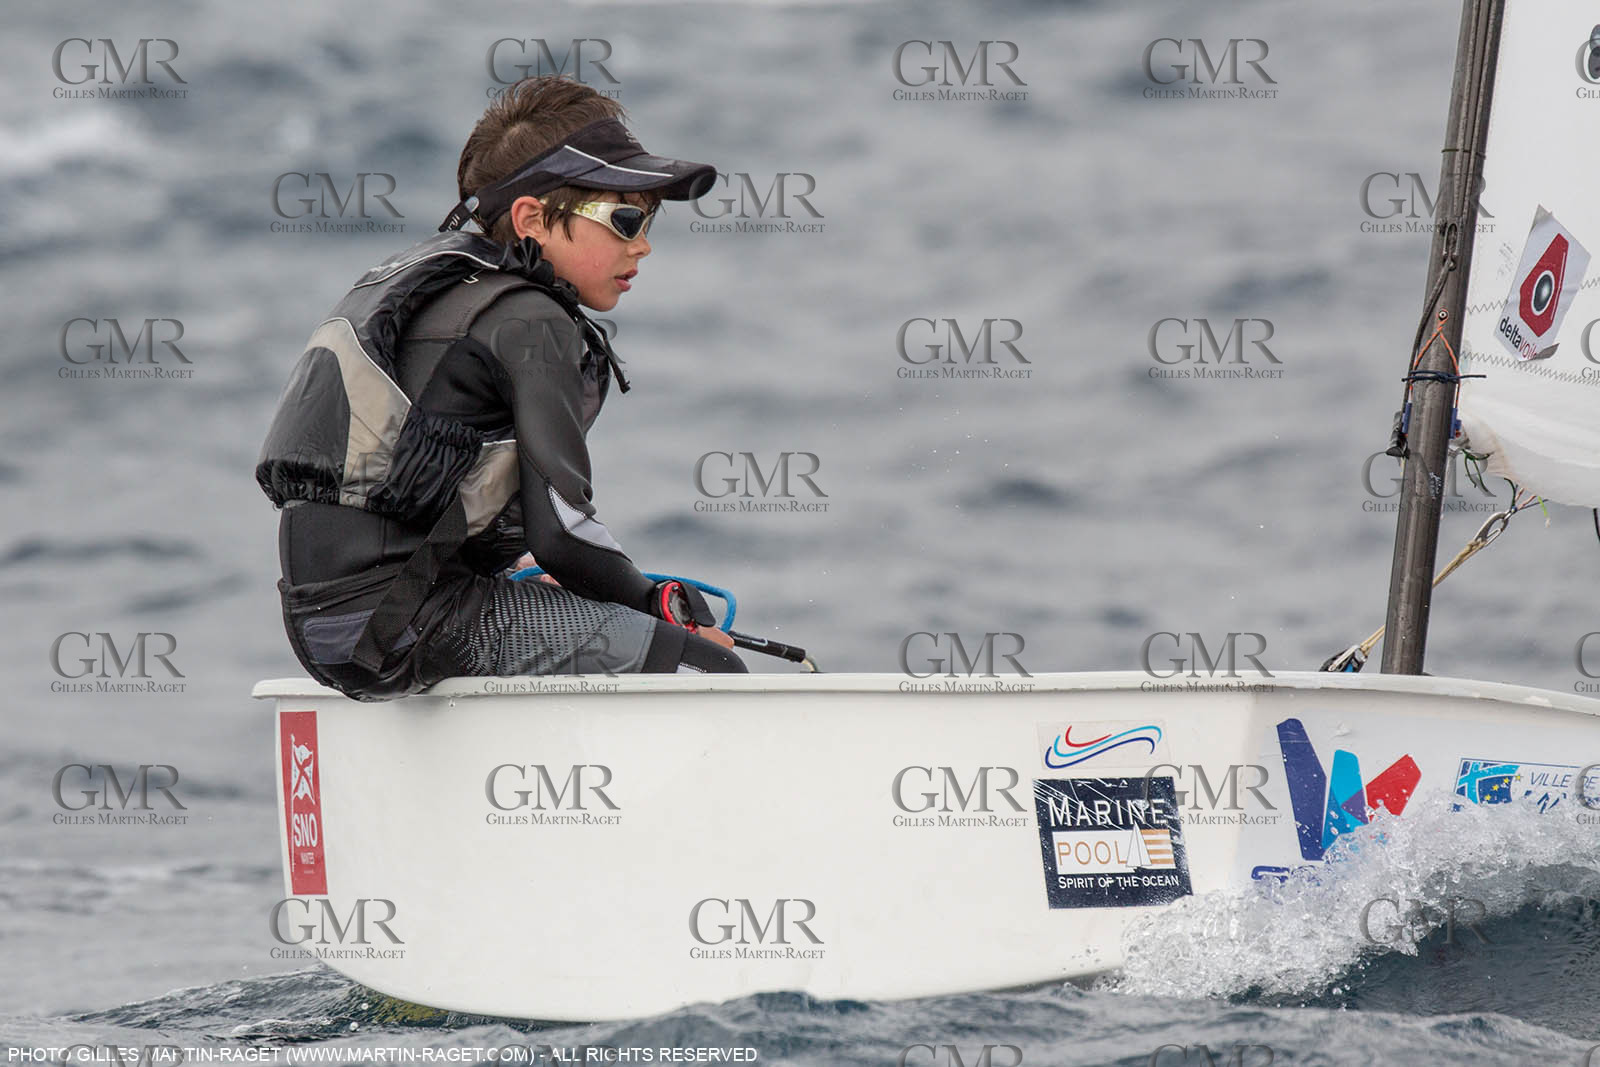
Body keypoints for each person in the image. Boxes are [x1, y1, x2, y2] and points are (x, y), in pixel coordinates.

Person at [257, 76, 746, 700]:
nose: (643, 244)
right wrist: (658, 600)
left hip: (328, 627)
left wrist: (513, 572)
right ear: (531, 218)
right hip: (405, 623)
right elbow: (563, 534)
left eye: (648, 218)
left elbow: (414, 503)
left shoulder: (447, 294)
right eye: (625, 219)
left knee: (590, 623)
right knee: (705, 669)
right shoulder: (532, 322)